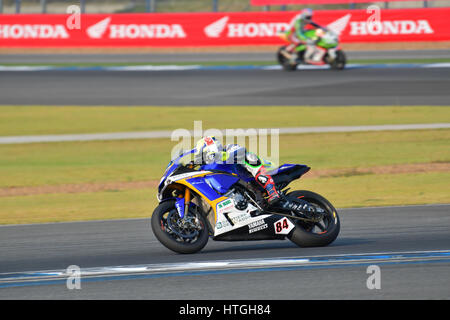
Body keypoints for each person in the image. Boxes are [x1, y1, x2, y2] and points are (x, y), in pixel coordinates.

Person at [194, 136, 281, 206]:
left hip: (265, 170)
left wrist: (222, 156)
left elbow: (241, 151)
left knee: (249, 157)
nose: (204, 160)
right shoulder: (205, 168)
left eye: (204, 156)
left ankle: (272, 191)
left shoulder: (229, 148)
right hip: (239, 188)